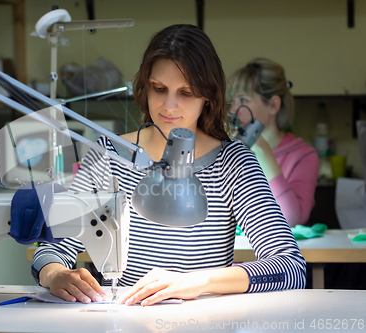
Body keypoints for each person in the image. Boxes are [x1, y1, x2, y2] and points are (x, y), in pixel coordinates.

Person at [32, 25, 306, 306]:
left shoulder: (233, 163)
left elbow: (290, 268)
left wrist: (197, 281)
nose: (169, 106)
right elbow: (52, 249)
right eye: (159, 89)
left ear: (207, 96)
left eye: (186, 92)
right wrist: (54, 275)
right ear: (145, 87)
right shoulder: (108, 155)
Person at [228, 58, 319, 227]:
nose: (233, 110)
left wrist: (262, 151)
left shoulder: (304, 156)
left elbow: (291, 219)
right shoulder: (228, 151)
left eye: (243, 101)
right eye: (232, 101)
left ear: (273, 105)